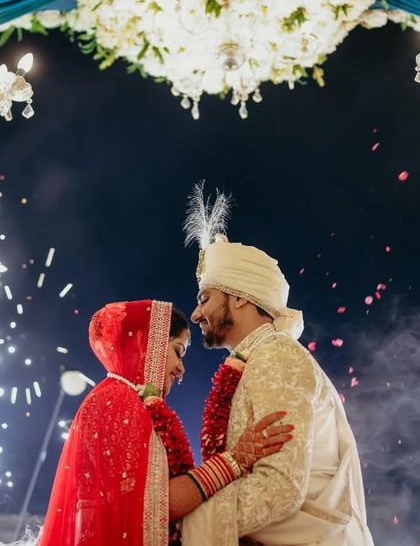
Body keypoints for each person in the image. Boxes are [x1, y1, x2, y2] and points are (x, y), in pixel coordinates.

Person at [181, 185, 374, 546]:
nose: (195, 314)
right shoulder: (260, 359)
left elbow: (280, 489)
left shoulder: (276, 358)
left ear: (239, 298)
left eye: (204, 298)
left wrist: (181, 520)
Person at [38, 299, 293, 546]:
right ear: (148, 343)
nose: (181, 368)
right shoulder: (117, 401)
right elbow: (155, 505)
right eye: (178, 351)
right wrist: (235, 460)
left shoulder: (120, 398)